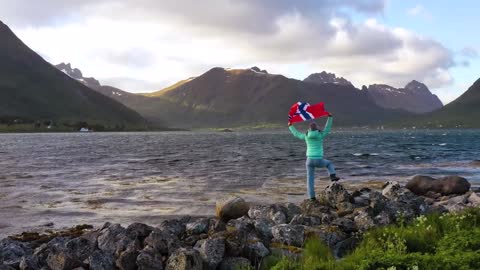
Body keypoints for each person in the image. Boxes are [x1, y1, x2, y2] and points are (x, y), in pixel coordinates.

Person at [288, 114, 339, 200]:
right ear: (316, 128)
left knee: (310, 180)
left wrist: (290, 126)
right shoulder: (320, 135)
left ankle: (312, 198)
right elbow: (327, 128)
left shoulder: (306, 136)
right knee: (329, 163)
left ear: (309, 128)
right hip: (318, 159)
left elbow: (296, 134)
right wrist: (330, 117)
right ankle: (332, 176)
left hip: (309, 161)